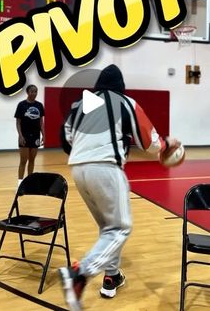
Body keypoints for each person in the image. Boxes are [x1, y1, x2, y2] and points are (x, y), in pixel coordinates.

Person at [59, 64, 180, 311]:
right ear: (120, 86)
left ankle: (111, 276)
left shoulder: (82, 104)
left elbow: (65, 139)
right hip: (106, 169)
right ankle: (79, 274)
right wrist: (167, 143)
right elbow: (150, 143)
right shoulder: (126, 102)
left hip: (78, 170)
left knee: (108, 228)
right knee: (120, 228)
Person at [14, 84, 45, 187]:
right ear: (27, 92)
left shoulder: (39, 105)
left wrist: (43, 135)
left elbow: (41, 122)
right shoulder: (21, 105)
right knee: (23, 161)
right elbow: (18, 122)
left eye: (35, 91)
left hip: (36, 136)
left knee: (32, 160)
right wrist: (21, 136)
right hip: (24, 136)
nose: (34, 93)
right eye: (32, 91)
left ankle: (30, 183)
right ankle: (20, 184)